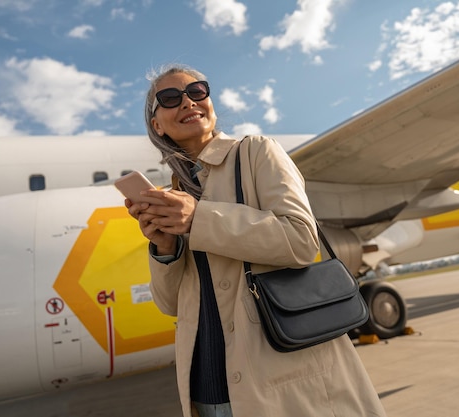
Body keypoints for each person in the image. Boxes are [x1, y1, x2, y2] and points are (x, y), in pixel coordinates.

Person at [126, 64, 387, 417]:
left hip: (280, 385)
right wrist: (165, 248)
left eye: (197, 91)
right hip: (205, 395)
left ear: (210, 104)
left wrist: (199, 218)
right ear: (156, 125)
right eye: (170, 98)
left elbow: (300, 241)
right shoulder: (175, 195)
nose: (188, 102)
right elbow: (171, 305)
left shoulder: (256, 152)